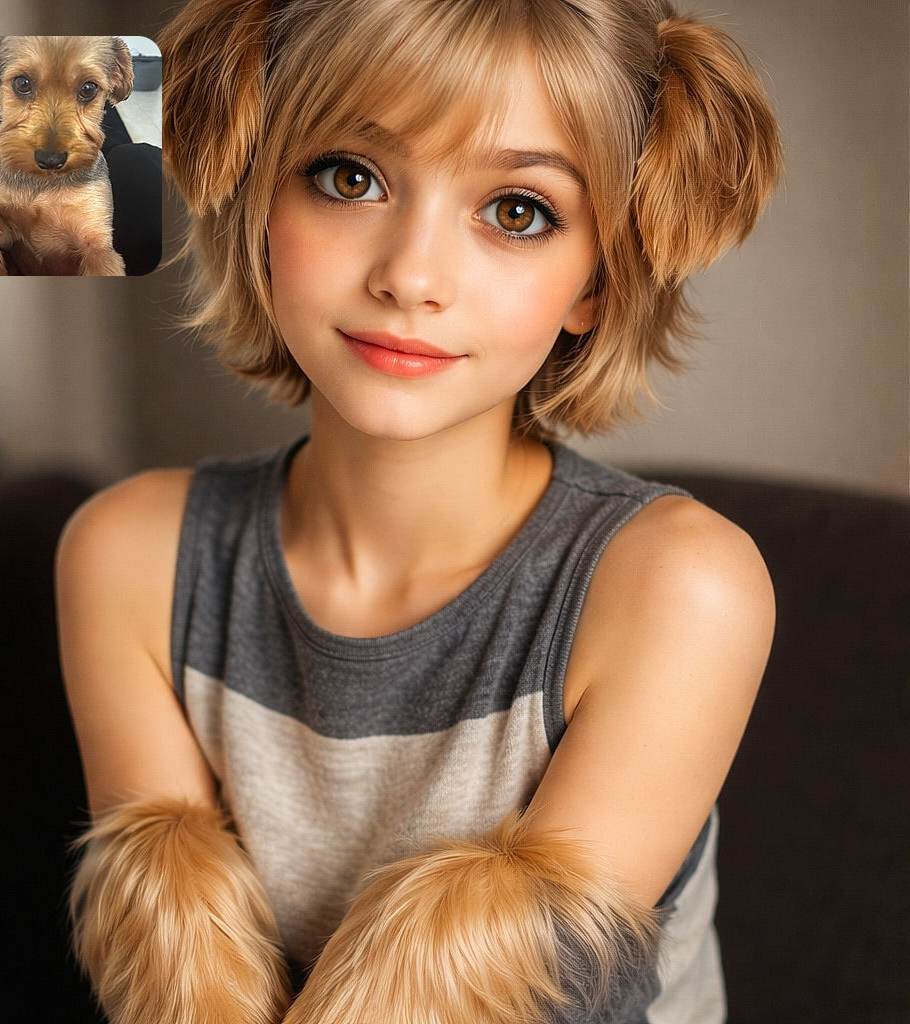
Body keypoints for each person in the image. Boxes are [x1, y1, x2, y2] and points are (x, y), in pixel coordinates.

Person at [57, 1, 781, 1021]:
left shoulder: (683, 588)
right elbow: (179, 979)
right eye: (349, 176)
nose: (410, 276)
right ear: (259, 201)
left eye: (518, 211)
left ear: (595, 278)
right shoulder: (128, 551)